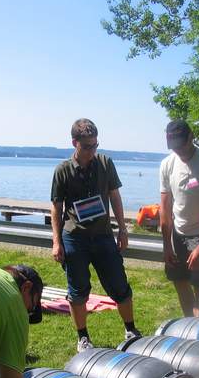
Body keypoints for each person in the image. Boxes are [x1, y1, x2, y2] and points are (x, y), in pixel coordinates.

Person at [50, 118, 141, 352]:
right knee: (78, 290)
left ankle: (131, 329)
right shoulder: (62, 170)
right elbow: (56, 208)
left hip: (103, 235)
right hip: (75, 237)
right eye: (87, 146)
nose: (92, 151)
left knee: (119, 283)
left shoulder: (105, 163)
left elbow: (114, 196)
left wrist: (122, 229)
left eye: (95, 145)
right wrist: (56, 242)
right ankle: (83, 338)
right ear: (75, 143)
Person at [159, 120, 199, 317]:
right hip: (178, 234)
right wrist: (167, 245)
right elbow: (165, 208)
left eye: (181, 145)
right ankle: (189, 324)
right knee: (179, 280)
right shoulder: (167, 164)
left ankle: (198, 327)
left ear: (191, 137)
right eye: (174, 147)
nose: (178, 150)